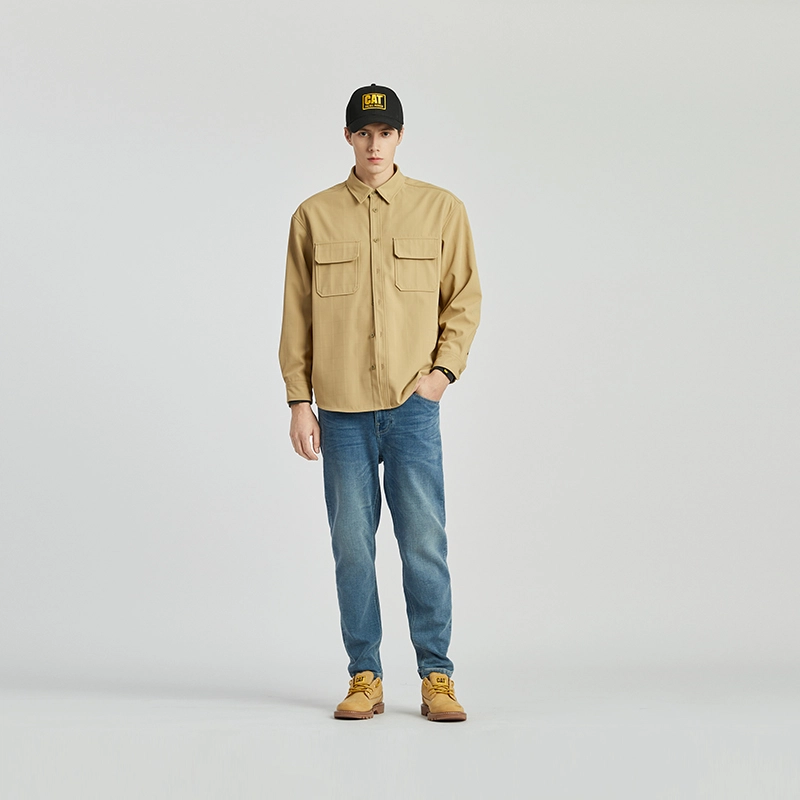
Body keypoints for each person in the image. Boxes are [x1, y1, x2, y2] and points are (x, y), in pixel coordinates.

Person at [278, 84, 481, 722]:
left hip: (411, 408)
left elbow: (464, 300)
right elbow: (297, 316)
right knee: (352, 547)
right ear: (348, 136)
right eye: (364, 133)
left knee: (424, 544)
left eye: (385, 133)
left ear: (399, 137)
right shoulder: (313, 216)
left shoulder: (441, 209)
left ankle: (437, 676)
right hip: (340, 412)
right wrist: (299, 400)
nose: (374, 145)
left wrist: (441, 375)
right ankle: (364, 674)